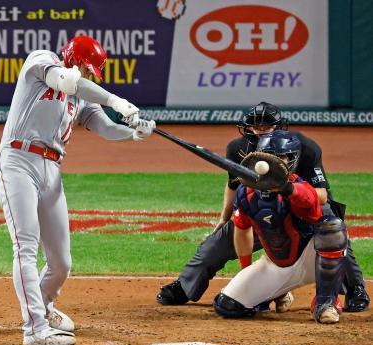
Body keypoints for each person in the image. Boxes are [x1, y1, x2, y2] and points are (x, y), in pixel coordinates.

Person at [0, 35, 155, 345]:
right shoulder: (41, 62)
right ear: (72, 57)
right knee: (26, 246)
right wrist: (116, 100)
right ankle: (35, 329)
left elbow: (105, 128)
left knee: (61, 262)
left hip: (51, 170)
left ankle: (44, 305)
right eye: (86, 66)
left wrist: (134, 133)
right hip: (16, 161)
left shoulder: (81, 97)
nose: (88, 73)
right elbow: (68, 81)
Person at [156, 102, 369, 313]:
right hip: (260, 210)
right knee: (217, 242)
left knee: (333, 231)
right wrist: (224, 218)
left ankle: (355, 289)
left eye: (266, 127)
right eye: (256, 127)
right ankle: (185, 286)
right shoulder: (237, 149)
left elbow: (321, 196)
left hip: (304, 211)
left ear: (278, 127)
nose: (260, 131)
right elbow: (233, 185)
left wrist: (288, 190)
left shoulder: (303, 146)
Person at [213, 130, 346, 324]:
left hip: (311, 259)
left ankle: (326, 302)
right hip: (277, 264)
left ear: (291, 160)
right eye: (272, 156)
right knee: (227, 305)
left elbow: (308, 199)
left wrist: (286, 188)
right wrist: (245, 269)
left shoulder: (299, 186)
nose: (278, 161)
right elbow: (242, 231)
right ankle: (280, 292)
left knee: (332, 228)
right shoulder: (245, 194)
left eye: (282, 156)